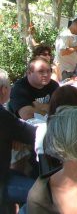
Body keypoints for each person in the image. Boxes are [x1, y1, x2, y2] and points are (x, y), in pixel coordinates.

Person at [0, 68, 36, 210]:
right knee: (45, 195)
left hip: (6, 175)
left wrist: (13, 137)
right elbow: (32, 134)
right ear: (4, 90)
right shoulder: (3, 116)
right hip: (2, 181)